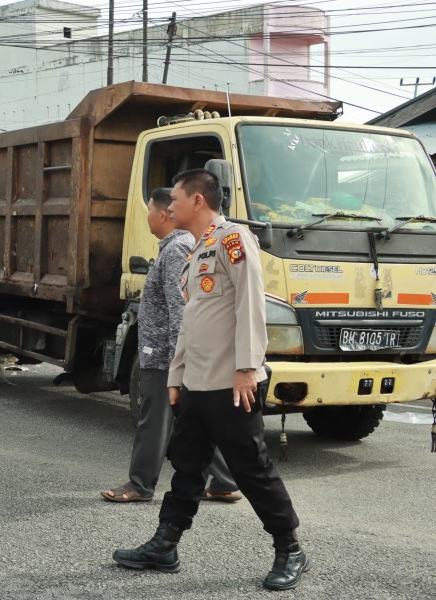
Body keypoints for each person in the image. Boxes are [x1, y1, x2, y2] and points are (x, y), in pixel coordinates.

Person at [112, 169, 307, 592]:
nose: (170, 207)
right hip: (198, 383)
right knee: (187, 466)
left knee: (251, 468)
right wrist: (177, 377)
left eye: (176, 199)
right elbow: (192, 322)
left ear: (198, 201)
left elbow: (251, 304)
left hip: (230, 381)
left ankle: (289, 548)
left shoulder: (233, 240)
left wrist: (246, 368)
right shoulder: (198, 249)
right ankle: (165, 545)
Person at [101, 188, 240, 503]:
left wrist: (181, 361)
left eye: (149, 209)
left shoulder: (178, 249)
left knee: (154, 421)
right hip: (169, 355)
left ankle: (140, 485)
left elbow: (182, 309)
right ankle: (224, 480)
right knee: (195, 420)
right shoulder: (179, 246)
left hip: (165, 358)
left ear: (162, 214)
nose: (147, 215)